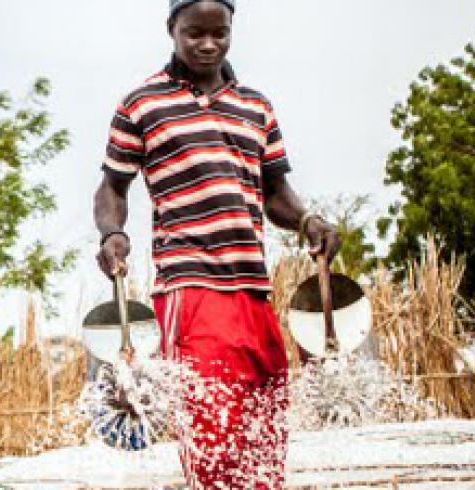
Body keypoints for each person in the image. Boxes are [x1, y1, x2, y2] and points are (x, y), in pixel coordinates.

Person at [92, 0, 341, 487]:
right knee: (212, 437)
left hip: (253, 289)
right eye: (194, 33)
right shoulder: (141, 103)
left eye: (219, 33)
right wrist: (112, 233)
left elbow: (276, 193)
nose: (208, 44)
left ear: (231, 30)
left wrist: (308, 220)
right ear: (171, 29)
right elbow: (111, 188)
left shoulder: (256, 106)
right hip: (190, 288)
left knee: (264, 433)